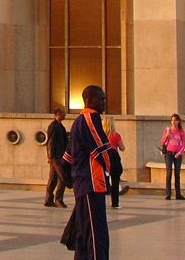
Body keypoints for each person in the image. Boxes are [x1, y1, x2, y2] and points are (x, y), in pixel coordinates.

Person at [62, 84, 115, 260]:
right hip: (92, 185)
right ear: (89, 100)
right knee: (96, 235)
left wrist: (72, 181)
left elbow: (67, 158)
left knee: (84, 236)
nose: (104, 103)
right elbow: (101, 149)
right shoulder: (90, 118)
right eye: (101, 100)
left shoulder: (77, 122)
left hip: (83, 186)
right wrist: (112, 169)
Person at [101, 116, 129, 208]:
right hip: (114, 159)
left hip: (103, 160)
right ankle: (115, 203)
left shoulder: (101, 136)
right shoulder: (116, 136)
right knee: (115, 181)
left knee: (102, 181)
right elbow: (122, 148)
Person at [45, 107, 69, 208]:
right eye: (63, 113)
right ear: (58, 114)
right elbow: (50, 142)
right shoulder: (53, 126)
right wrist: (50, 156)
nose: (65, 114)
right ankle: (58, 199)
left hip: (60, 155)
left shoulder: (60, 126)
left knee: (53, 178)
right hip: (56, 156)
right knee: (63, 177)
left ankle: (48, 200)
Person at [161, 113, 185, 200]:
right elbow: (162, 142)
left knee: (177, 174)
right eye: (172, 120)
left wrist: (179, 153)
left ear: (178, 121)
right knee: (169, 173)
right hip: (169, 153)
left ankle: (178, 194)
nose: (173, 122)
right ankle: (168, 193)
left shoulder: (180, 132)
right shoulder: (168, 130)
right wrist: (166, 136)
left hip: (177, 154)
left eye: (175, 120)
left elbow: (183, 145)